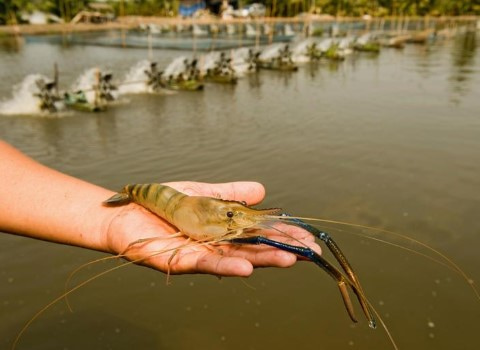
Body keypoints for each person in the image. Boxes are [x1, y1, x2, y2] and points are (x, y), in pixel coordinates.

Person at [0, 140, 319, 277]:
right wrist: (109, 219)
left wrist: (239, 217)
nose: (234, 217)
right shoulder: (177, 209)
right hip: (138, 193)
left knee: (276, 233)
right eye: (231, 213)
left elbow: (231, 218)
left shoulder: (222, 215)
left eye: (231, 212)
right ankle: (128, 193)